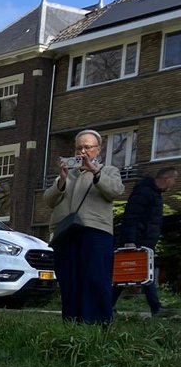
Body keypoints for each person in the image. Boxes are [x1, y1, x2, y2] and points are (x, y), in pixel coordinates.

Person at [45, 130, 125, 324]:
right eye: (79, 147)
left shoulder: (108, 170)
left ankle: (96, 324)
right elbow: (48, 200)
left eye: (87, 147)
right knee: (69, 278)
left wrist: (95, 172)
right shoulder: (68, 174)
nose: (82, 151)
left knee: (95, 277)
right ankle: (72, 323)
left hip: (95, 231)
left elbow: (115, 191)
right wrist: (61, 180)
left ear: (98, 149)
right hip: (67, 233)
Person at [112, 166, 177, 318]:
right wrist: (130, 240)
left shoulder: (155, 194)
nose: (174, 183)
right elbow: (132, 216)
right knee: (132, 274)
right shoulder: (144, 192)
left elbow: (153, 221)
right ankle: (156, 308)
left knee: (134, 274)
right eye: (173, 179)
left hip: (145, 243)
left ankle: (107, 305)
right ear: (166, 179)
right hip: (137, 242)